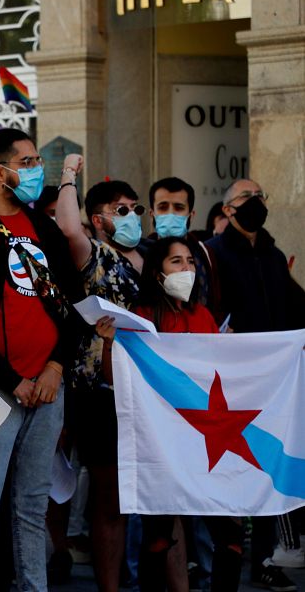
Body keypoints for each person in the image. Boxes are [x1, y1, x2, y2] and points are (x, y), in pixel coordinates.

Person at [0, 129, 80, 592]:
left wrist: (55, 367)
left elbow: (74, 307)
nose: (34, 170)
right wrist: (11, 378)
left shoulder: (44, 229)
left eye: (37, 161)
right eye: (26, 162)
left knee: (32, 505)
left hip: (49, 387)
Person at [95, 236, 248, 592]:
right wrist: (107, 342)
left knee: (230, 536)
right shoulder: (142, 318)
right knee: (159, 535)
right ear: (158, 272)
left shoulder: (204, 315)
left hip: (209, 442)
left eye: (191, 262)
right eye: (176, 262)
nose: (186, 269)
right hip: (164, 444)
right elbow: (114, 377)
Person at [206, 179, 304, 591]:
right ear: (228, 209)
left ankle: (268, 558)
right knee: (233, 471)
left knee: (271, 469)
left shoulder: (273, 253)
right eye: (247, 197)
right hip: (231, 385)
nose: (257, 202)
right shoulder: (211, 254)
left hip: (275, 384)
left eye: (262, 195)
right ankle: (226, 566)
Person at [54, 163, 144, 592]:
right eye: (119, 209)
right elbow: (67, 227)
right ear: (99, 219)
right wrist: (70, 174)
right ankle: (98, 579)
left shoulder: (155, 259)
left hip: (145, 387)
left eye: (135, 208)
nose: (131, 216)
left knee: (131, 495)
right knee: (103, 491)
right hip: (96, 390)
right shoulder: (92, 255)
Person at [148, 177, 221, 317]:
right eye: (163, 207)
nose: (171, 213)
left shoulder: (205, 253)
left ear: (191, 215)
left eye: (179, 207)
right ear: (152, 214)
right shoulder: (141, 253)